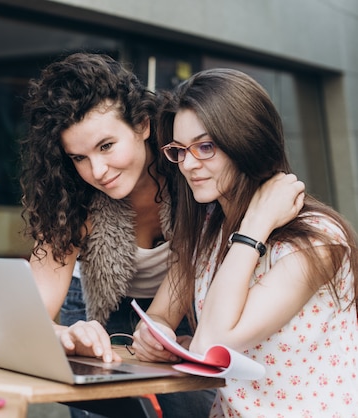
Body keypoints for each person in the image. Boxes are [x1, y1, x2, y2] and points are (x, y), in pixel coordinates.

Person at [133, 67, 358, 416]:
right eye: (180, 150)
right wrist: (155, 335)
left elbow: (214, 345)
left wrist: (254, 226)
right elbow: (162, 313)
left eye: (205, 147)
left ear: (247, 141)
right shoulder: (207, 228)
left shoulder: (318, 240)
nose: (189, 164)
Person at [20, 52, 214, 417]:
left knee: (194, 404)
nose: (97, 170)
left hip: (182, 299)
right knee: (98, 408)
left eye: (106, 146)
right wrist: (60, 333)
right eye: (79, 157)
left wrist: (158, 326)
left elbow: (191, 264)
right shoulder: (72, 195)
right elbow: (33, 311)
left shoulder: (188, 173)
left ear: (142, 125)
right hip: (96, 308)